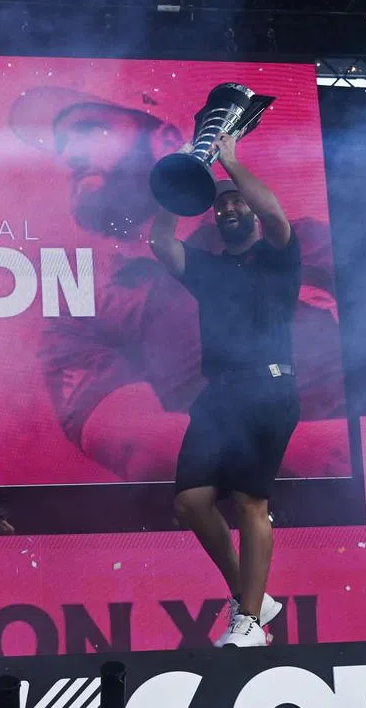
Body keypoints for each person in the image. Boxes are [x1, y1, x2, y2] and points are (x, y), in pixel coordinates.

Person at [9, 87, 348, 482]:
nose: (69, 155)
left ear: (166, 141)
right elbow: (134, 439)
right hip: (242, 503)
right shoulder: (80, 310)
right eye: (63, 145)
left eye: (91, 130)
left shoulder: (303, 241)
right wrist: (290, 449)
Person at [148, 132, 299, 648]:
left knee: (250, 503)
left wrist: (230, 164)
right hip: (220, 396)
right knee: (190, 502)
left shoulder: (278, 258)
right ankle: (251, 598)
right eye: (221, 205)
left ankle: (250, 622)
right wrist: (182, 184)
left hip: (270, 390)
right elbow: (162, 244)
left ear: (250, 213)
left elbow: (277, 217)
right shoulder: (208, 269)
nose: (230, 207)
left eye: (237, 201)